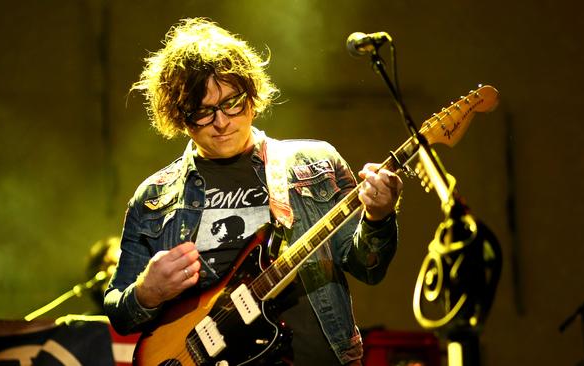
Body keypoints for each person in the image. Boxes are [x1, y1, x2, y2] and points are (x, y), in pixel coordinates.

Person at [104, 17, 403, 365]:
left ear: (252, 95)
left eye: (233, 102)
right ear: (179, 116)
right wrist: (147, 292)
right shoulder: (154, 197)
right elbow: (120, 314)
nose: (222, 121)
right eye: (202, 111)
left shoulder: (317, 163)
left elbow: (369, 267)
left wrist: (378, 216)